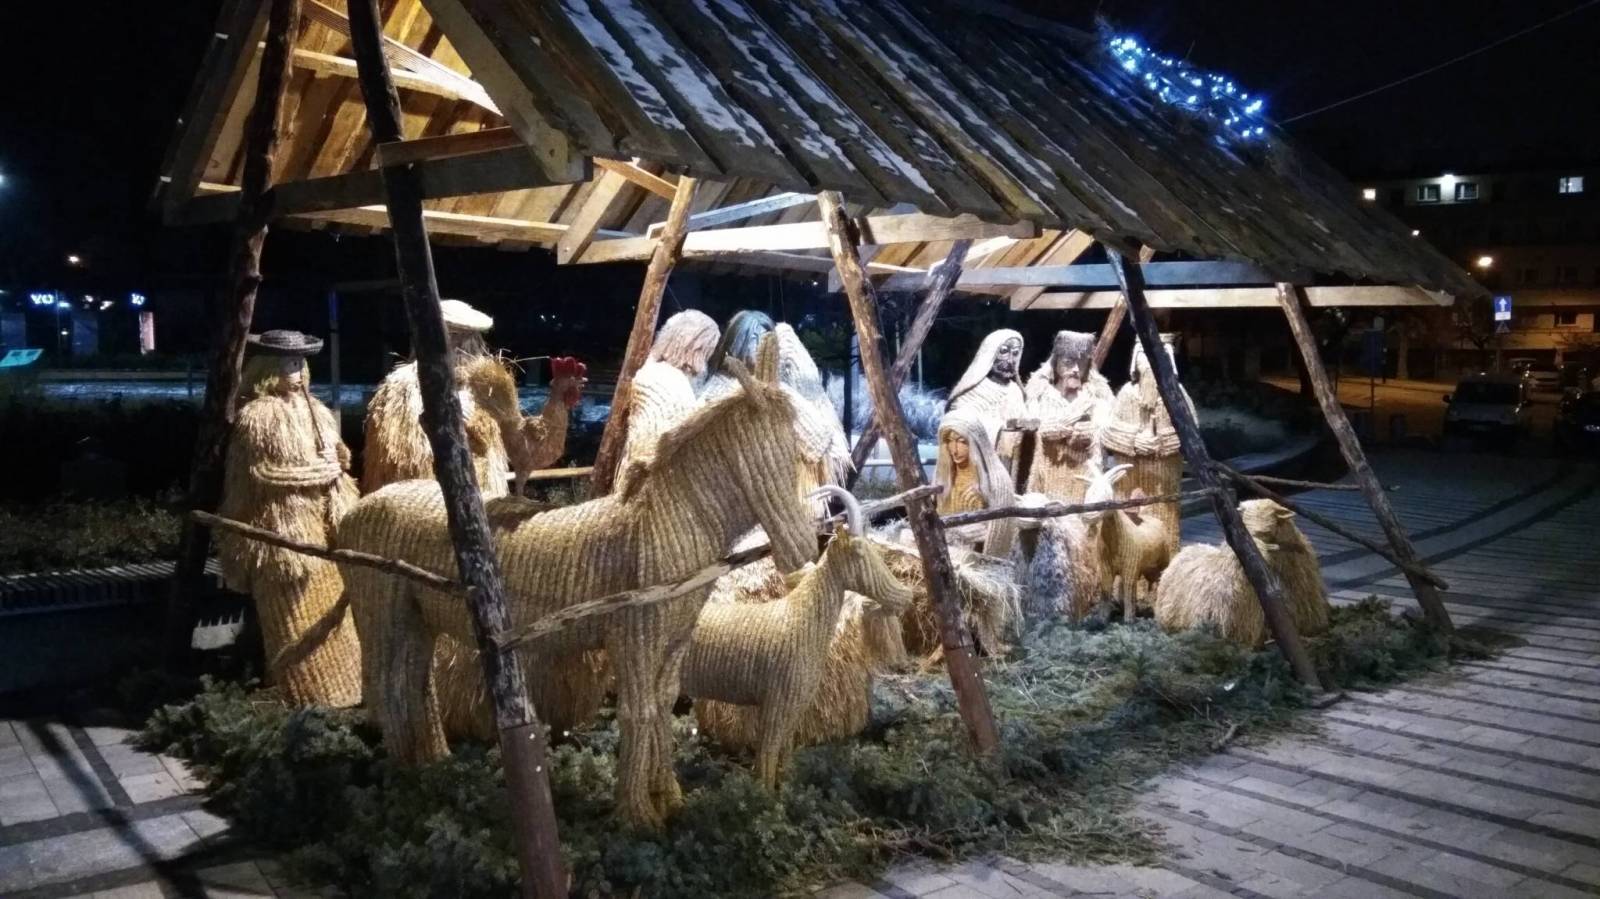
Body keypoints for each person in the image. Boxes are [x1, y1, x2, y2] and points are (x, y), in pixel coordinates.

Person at [216, 330, 361, 707]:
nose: (295, 372)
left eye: (299, 363)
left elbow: (340, 455)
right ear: (267, 368)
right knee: (290, 614)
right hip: (284, 532)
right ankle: (304, 692)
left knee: (331, 605)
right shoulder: (257, 415)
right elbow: (261, 472)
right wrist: (316, 473)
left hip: (324, 529)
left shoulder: (317, 410)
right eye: (287, 364)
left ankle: (345, 686)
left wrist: (339, 460)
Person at [362, 299, 585, 497]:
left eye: (468, 337)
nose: (461, 346)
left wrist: (556, 403)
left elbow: (524, 454)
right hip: (426, 507)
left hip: (485, 504)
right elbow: (398, 462)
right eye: (454, 335)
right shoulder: (403, 388)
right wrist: (450, 425)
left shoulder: (491, 387)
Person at [1100, 334, 1195, 560]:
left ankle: (1166, 565)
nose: (1151, 364)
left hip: (1163, 477)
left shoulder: (1177, 394)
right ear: (1136, 362)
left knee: (1165, 520)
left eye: (1159, 357)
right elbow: (1108, 432)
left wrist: (1162, 441)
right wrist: (1134, 440)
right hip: (1130, 476)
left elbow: (1191, 431)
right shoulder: (1126, 395)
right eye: (1145, 357)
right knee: (1131, 523)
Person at [614, 310, 721, 493]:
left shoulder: (656, 374)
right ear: (695, 347)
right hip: (654, 489)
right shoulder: (670, 382)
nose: (707, 359)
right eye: (707, 351)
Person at [1024, 331, 1114, 503]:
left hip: (1083, 478)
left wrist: (1093, 432)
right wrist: (1043, 429)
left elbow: (1108, 429)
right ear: (1056, 362)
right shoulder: (1040, 394)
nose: (1076, 370)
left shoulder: (1096, 398)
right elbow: (1027, 426)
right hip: (1047, 475)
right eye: (1068, 363)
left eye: (1081, 363)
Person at [933, 410, 1017, 556]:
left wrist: (969, 532)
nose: (954, 450)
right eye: (949, 441)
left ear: (975, 442)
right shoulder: (943, 476)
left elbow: (1000, 525)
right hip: (942, 545)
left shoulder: (994, 481)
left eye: (961, 441)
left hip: (974, 553)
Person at [947, 329, 1027, 467]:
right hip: (979, 463)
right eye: (1003, 351)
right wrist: (999, 429)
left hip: (1012, 462)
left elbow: (1024, 422)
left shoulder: (1015, 391)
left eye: (1015, 353)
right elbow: (959, 422)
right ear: (990, 352)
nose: (1010, 360)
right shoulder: (972, 389)